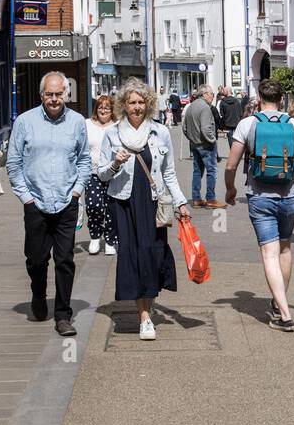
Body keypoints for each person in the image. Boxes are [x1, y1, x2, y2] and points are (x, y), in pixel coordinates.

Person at [224, 78, 294, 333]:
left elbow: (231, 165)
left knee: (269, 253)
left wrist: (231, 189)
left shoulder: (248, 124)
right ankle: (280, 305)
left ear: (259, 97)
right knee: (285, 249)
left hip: (260, 196)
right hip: (289, 196)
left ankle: (285, 314)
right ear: (282, 100)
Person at [99, 79, 191, 340]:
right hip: (124, 202)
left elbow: (169, 173)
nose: (137, 107)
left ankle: (147, 303)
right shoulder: (112, 134)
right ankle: (144, 317)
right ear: (124, 105)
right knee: (131, 255)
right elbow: (102, 175)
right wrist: (115, 163)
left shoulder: (160, 132)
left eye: (141, 102)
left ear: (148, 104)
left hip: (153, 202)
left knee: (151, 255)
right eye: (132, 102)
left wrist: (181, 202)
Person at [6, 71, 91, 336]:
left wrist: (77, 192)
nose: (54, 99)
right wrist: (26, 198)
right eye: (49, 94)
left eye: (59, 94)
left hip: (67, 201)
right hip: (36, 203)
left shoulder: (77, 122)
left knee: (65, 259)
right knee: (36, 259)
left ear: (66, 94)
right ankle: (39, 296)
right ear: (41, 95)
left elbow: (84, 160)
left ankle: (63, 315)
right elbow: (13, 163)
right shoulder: (24, 121)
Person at [84, 95, 118, 255]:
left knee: (112, 207)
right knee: (94, 205)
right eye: (100, 106)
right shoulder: (87, 124)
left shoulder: (118, 126)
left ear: (112, 110)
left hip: (114, 173)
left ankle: (110, 240)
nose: (103, 110)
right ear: (96, 109)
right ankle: (95, 237)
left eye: (107, 107)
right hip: (93, 173)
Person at [184, 86, 224, 208]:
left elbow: (185, 128)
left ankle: (196, 198)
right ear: (205, 94)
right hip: (205, 145)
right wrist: (213, 140)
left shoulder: (192, 106)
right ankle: (210, 199)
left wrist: (192, 138)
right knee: (212, 171)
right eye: (212, 93)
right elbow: (206, 129)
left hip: (195, 144)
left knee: (197, 171)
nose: (213, 96)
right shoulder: (205, 108)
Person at [217, 86, 242, 157]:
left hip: (228, 124)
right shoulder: (237, 101)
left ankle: (233, 155)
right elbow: (240, 113)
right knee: (238, 140)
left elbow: (222, 115)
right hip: (237, 123)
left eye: (224, 91)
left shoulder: (222, 102)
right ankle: (237, 154)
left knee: (231, 140)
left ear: (228, 91)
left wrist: (221, 125)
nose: (223, 92)